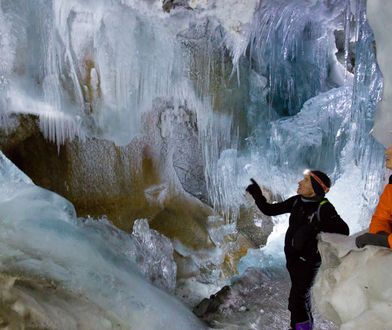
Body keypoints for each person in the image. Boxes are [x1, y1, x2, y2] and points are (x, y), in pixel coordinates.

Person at [246, 170, 349, 330]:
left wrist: (313, 227)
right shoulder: (297, 201)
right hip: (293, 259)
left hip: (308, 262)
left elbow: (343, 230)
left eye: (306, 180)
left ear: (315, 188)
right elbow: (269, 210)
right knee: (300, 298)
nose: (300, 182)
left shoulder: (324, 208)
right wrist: (257, 194)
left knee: (297, 300)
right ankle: (300, 326)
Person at [356, 146, 392, 249]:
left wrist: (386, 241)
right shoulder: (390, 188)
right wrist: (379, 233)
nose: (387, 151)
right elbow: (382, 218)